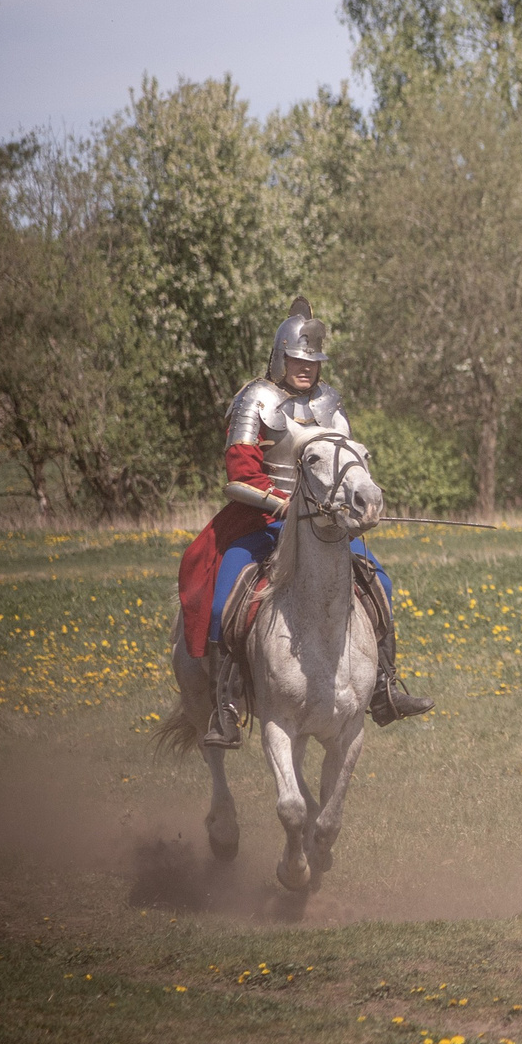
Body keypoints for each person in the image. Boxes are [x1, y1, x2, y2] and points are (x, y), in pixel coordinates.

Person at [178, 297, 432, 748]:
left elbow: (346, 465)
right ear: (280, 356)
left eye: (313, 361)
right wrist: (282, 505)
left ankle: (383, 687)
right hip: (261, 521)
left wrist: (353, 507)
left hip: (323, 523)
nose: (306, 368)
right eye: (298, 359)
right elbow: (238, 477)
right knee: (222, 601)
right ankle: (225, 703)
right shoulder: (253, 400)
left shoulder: (330, 403)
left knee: (382, 584)